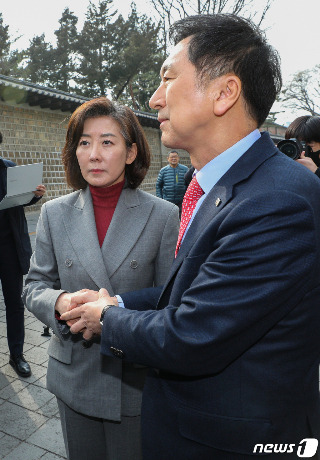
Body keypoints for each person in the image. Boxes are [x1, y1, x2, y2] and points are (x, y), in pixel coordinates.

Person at [61, 14, 320, 460]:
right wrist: (120, 303)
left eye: (167, 78)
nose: (154, 97)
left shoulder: (277, 199)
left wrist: (108, 318)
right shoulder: (215, 185)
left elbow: (195, 333)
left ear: (224, 93)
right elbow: (202, 292)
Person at [22, 97, 179, 460]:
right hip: (74, 375)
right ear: (74, 152)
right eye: (84, 142)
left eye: (107, 142)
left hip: (134, 380)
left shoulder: (162, 216)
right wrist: (60, 303)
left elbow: (170, 299)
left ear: (130, 152)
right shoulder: (54, 213)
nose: (94, 154)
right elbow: (34, 286)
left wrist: (115, 314)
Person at [0, 132, 46, 378]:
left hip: (9, 247)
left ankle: (16, 355)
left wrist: (34, 195)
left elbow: (20, 200)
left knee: (15, 304)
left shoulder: (10, 169)